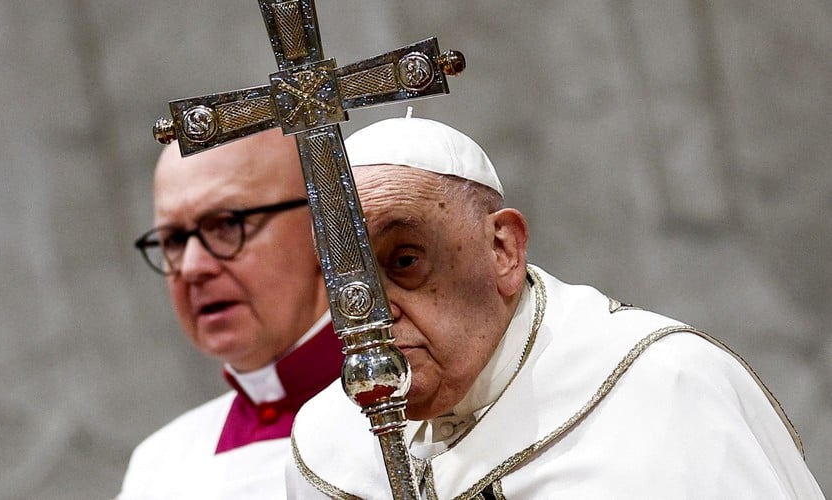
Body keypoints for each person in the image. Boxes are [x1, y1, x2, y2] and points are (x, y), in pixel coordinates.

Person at [287, 116, 824, 499]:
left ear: (503, 249)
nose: (369, 314)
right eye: (342, 279)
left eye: (405, 260)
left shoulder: (660, 391)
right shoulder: (328, 450)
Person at [119, 128, 343, 499]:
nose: (191, 268)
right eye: (174, 240)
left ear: (323, 227)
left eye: (226, 225)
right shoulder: (157, 468)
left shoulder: (422, 421)